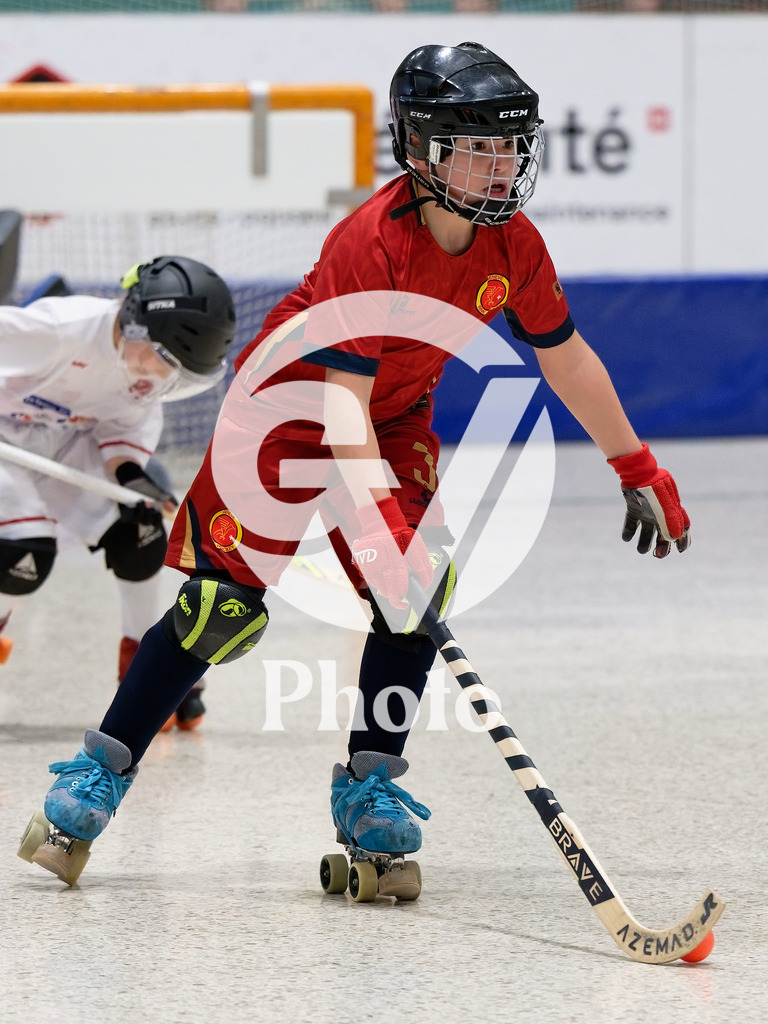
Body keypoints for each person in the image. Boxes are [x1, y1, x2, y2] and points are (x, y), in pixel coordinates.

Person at [20, 42, 690, 891]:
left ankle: (370, 790)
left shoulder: (514, 245)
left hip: (392, 412)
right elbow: (337, 406)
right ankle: (99, 773)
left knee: (414, 594)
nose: (501, 166)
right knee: (220, 611)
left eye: (511, 147)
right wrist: (377, 522)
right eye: (477, 147)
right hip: (285, 411)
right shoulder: (372, 241)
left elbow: (566, 356)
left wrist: (637, 467)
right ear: (423, 151)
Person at [0, 255, 236, 731]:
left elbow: (119, 433)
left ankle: (147, 670)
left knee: (141, 529)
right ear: (133, 323)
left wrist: (131, 477)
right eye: (166, 360)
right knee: (23, 557)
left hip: (65, 445)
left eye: (180, 371)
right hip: (5, 444)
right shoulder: (58, 329)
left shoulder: (146, 369)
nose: (164, 377)